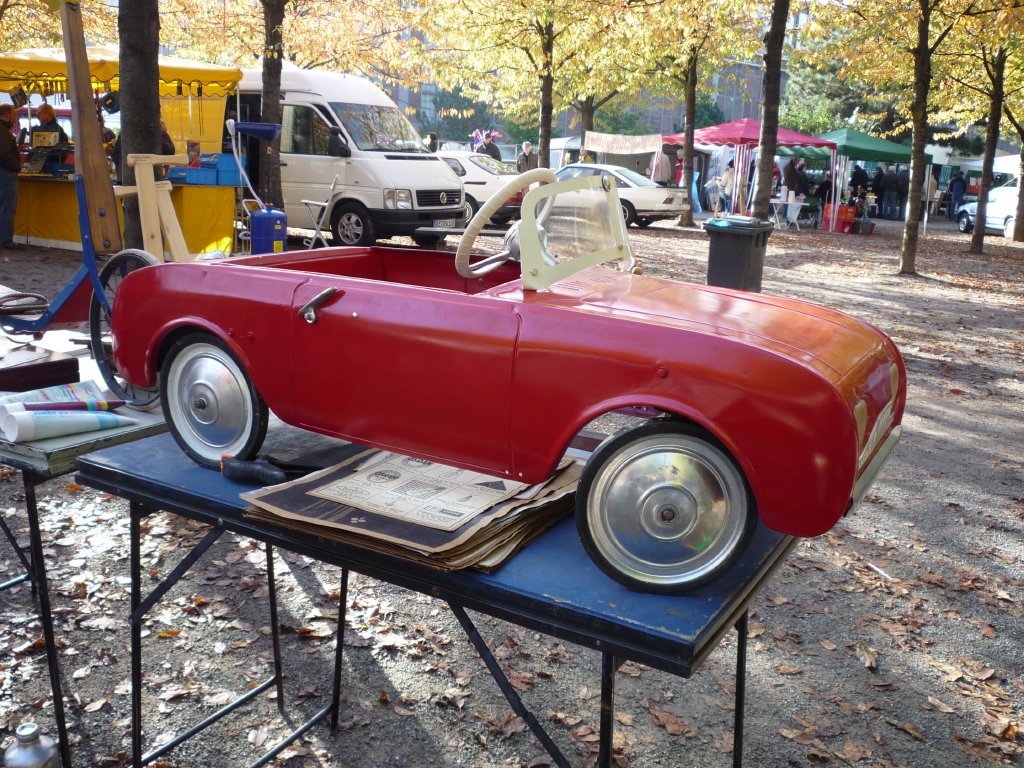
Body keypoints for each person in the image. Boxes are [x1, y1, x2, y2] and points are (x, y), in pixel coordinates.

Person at [0, 104, 22, 250]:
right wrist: (17, 166)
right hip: (6, 173)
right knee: (7, 208)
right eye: (14, 115)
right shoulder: (4, 133)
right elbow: (4, 154)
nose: (15, 118)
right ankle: (6, 240)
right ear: (7, 115)